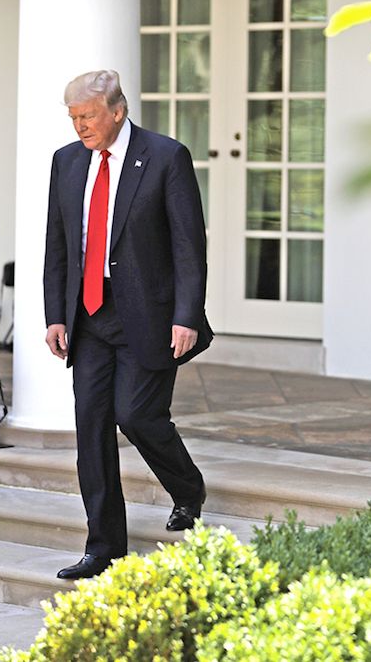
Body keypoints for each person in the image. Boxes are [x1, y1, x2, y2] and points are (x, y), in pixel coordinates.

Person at [43, 69, 212, 580]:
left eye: (88, 116)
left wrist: (187, 315)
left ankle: (188, 489)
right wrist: (55, 313)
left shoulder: (166, 157)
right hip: (89, 314)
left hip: (150, 313)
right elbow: (57, 244)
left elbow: (188, 245)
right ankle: (104, 545)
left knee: (137, 415)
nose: (80, 127)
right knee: (91, 428)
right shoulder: (67, 162)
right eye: (73, 118)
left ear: (118, 110)